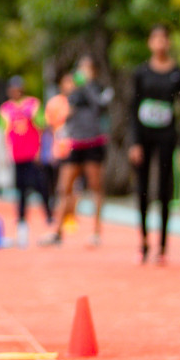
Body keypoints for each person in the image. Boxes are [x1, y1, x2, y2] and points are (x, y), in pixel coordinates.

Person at [130, 24, 180, 264]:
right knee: (142, 187)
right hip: (144, 135)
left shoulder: (178, 73)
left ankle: (162, 246)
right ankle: (143, 241)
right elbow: (132, 107)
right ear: (150, 43)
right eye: (155, 38)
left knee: (165, 188)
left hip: (167, 134)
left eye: (164, 39)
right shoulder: (141, 72)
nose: (160, 43)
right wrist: (134, 142)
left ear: (168, 42)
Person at [44, 56, 113, 248]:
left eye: (87, 68)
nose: (83, 72)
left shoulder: (100, 90)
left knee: (95, 187)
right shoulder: (73, 93)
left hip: (94, 143)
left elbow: (99, 106)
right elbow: (65, 114)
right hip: (75, 144)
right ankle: (57, 231)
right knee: (64, 188)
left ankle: (96, 232)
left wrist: (88, 86)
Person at [0, 76, 53, 247]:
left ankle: (49, 217)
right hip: (17, 156)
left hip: (32, 155)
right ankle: (22, 221)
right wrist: (5, 155)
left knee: (40, 186)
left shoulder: (32, 104)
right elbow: (3, 134)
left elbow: (42, 126)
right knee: (20, 189)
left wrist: (40, 149)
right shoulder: (5, 110)